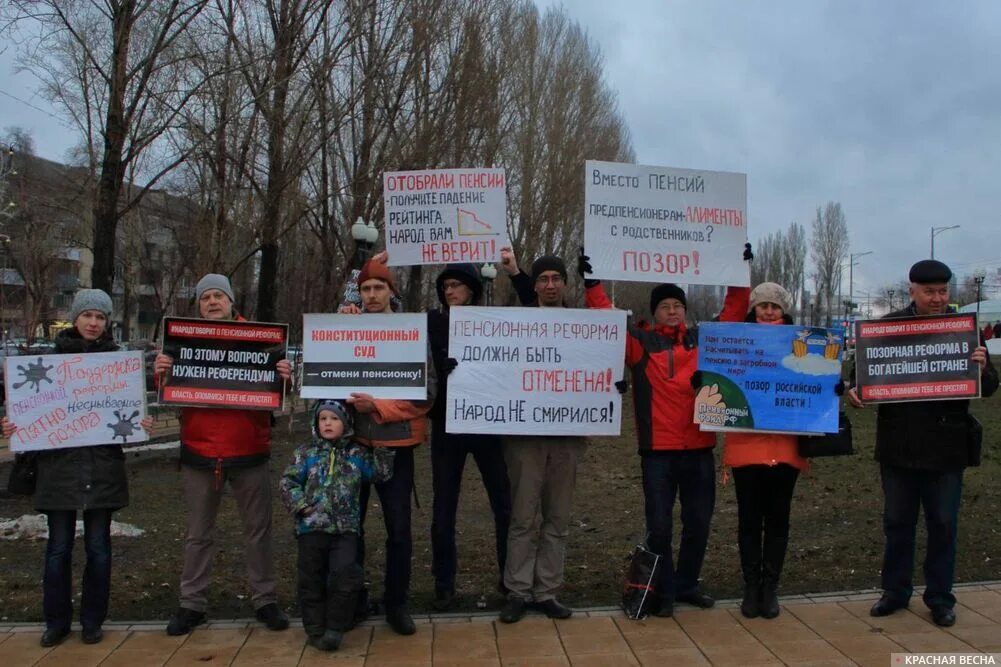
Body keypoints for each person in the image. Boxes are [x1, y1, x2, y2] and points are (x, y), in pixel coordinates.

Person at [580, 247, 751, 617]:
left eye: (678, 305)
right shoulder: (640, 343)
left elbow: (733, 315)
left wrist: (740, 273)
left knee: (699, 524)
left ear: (686, 311)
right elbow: (605, 319)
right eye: (665, 306)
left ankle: (688, 585)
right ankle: (666, 590)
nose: (673, 311)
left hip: (699, 449)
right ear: (654, 312)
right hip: (657, 453)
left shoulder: (704, 340)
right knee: (659, 526)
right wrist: (592, 283)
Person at [848, 259, 998, 627]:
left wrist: (982, 368)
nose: (937, 298)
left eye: (943, 291)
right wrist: (855, 391)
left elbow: (990, 385)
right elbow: (862, 376)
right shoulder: (888, 327)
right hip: (899, 443)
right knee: (897, 522)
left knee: (943, 524)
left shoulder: (965, 330)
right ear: (911, 290)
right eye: (929, 291)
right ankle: (895, 592)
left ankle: (940, 597)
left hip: (947, 446)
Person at [1, 289, 153, 647]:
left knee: (99, 547)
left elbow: (128, 413)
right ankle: (56, 622)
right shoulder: (48, 363)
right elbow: (29, 409)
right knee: (58, 547)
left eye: (100, 317)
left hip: (102, 468)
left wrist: (141, 422)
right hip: (59, 470)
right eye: (87, 315)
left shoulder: (119, 365)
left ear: (107, 322)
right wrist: (14, 424)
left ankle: (92, 621)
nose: (93, 323)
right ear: (75, 318)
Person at [156, 274, 292, 636]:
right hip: (200, 451)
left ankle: (265, 599)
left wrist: (285, 375)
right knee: (198, 533)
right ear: (198, 305)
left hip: (249, 450)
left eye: (219, 296)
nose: (213, 302)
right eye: (205, 298)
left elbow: (281, 390)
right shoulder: (182, 340)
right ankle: (191, 603)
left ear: (232, 302)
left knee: (258, 531)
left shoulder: (263, 342)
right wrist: (161, 374)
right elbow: (168, 389)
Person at [338, 258, 436, 636]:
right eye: (366, 289)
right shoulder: (347, 328)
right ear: (359, 294)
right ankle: (354, 600)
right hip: (356, 447)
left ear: (391, 292)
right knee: (352, 529)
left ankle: (397, 603)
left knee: (399, 531)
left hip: (398, 446)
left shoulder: (412, 332)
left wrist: (377, 407)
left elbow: (426, 394)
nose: (373, 295)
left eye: (379, 288)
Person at [492, 250, 588, 623]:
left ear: (565, 284)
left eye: (556, 279)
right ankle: (517, 590)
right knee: (522, 516)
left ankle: (546, 590)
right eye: (543, 280)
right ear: (535, 287)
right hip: (525, 436)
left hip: (566, 436)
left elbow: (600, 364)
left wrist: (611, 384)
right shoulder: (520, 321)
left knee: (557, 518)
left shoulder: (585, 326)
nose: (550, 285)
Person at [716, 281, 818, 620]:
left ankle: (770, 587)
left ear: (784, 311)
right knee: (749, 519)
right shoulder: (736, 340)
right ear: (754, 309)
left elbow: (816, 383)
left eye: (775, 306)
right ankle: (751, 587)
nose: (770, 312)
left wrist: (829, 386)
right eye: (764, 306)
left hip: (787, 447)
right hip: (746, 447)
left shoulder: (805, 343)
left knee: (778, 519)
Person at [427, 263, 512, 610]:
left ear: (473, 289)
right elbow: (393, 336)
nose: (450, 291)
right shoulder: (432, 323)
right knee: (444, 508)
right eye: (445, 286)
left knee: (504, 505)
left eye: (457, 285)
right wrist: (437, 367)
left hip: (487, 424)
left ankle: (510, 578)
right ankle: (443, 584)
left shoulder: (493, 324)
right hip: (447, 425)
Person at [280, 399, 394, 651]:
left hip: (345, 530)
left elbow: (378, 474)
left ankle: (335, 626)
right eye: (323, 419)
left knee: (345, 576)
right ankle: (315, 629)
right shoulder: (306, 453)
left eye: (334, 419)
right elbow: (288, 482)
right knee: (311, 579)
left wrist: (383, 449)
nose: (328, 423)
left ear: (346, 424)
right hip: (311, 529)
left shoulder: (356, 454)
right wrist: (301, 507)